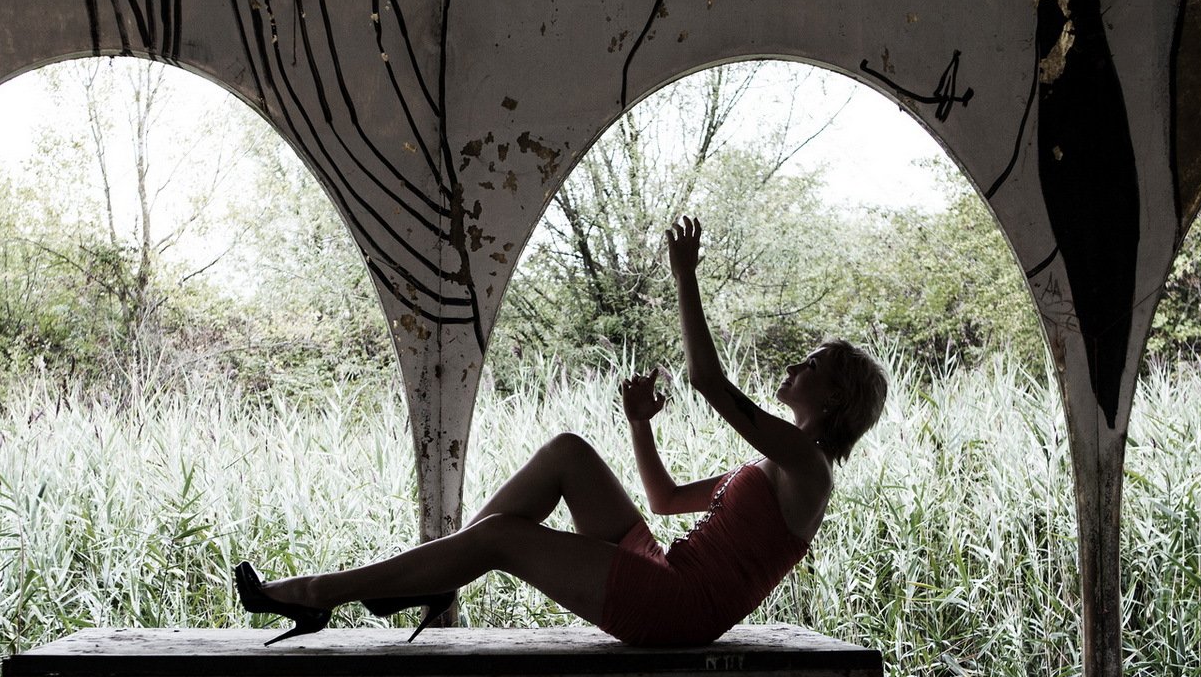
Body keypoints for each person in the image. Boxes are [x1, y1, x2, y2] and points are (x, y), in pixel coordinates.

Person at [235, 216, 888, 647]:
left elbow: (709, 382)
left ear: (835, 398)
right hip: (665, 575)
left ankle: (318, 593)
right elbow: (663, 501)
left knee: (500, 537)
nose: (795, 367)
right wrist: (640, 426)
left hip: (677, 609)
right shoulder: (777, 471)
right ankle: (438, 577)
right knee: (568, 453)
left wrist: (686, 276)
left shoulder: (807, 466)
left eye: (812, 365)